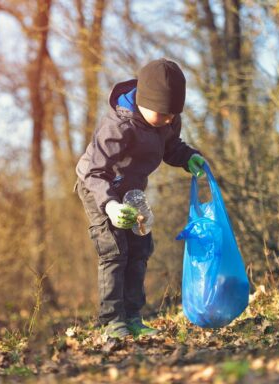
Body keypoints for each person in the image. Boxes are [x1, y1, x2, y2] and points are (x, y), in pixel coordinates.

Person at [74, 58, 206, 339]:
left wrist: (188, 157)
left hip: (131, 191)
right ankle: (112, 321)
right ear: (145, 103)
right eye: (164, 114)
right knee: (115, 248)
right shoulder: (119, 127)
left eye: (173, 114)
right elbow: (95, 172)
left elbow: (171, 147)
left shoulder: (166, 120)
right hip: (99, 187)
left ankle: (133, 316)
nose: (170, 120)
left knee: (140, 246)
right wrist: (109, 206)